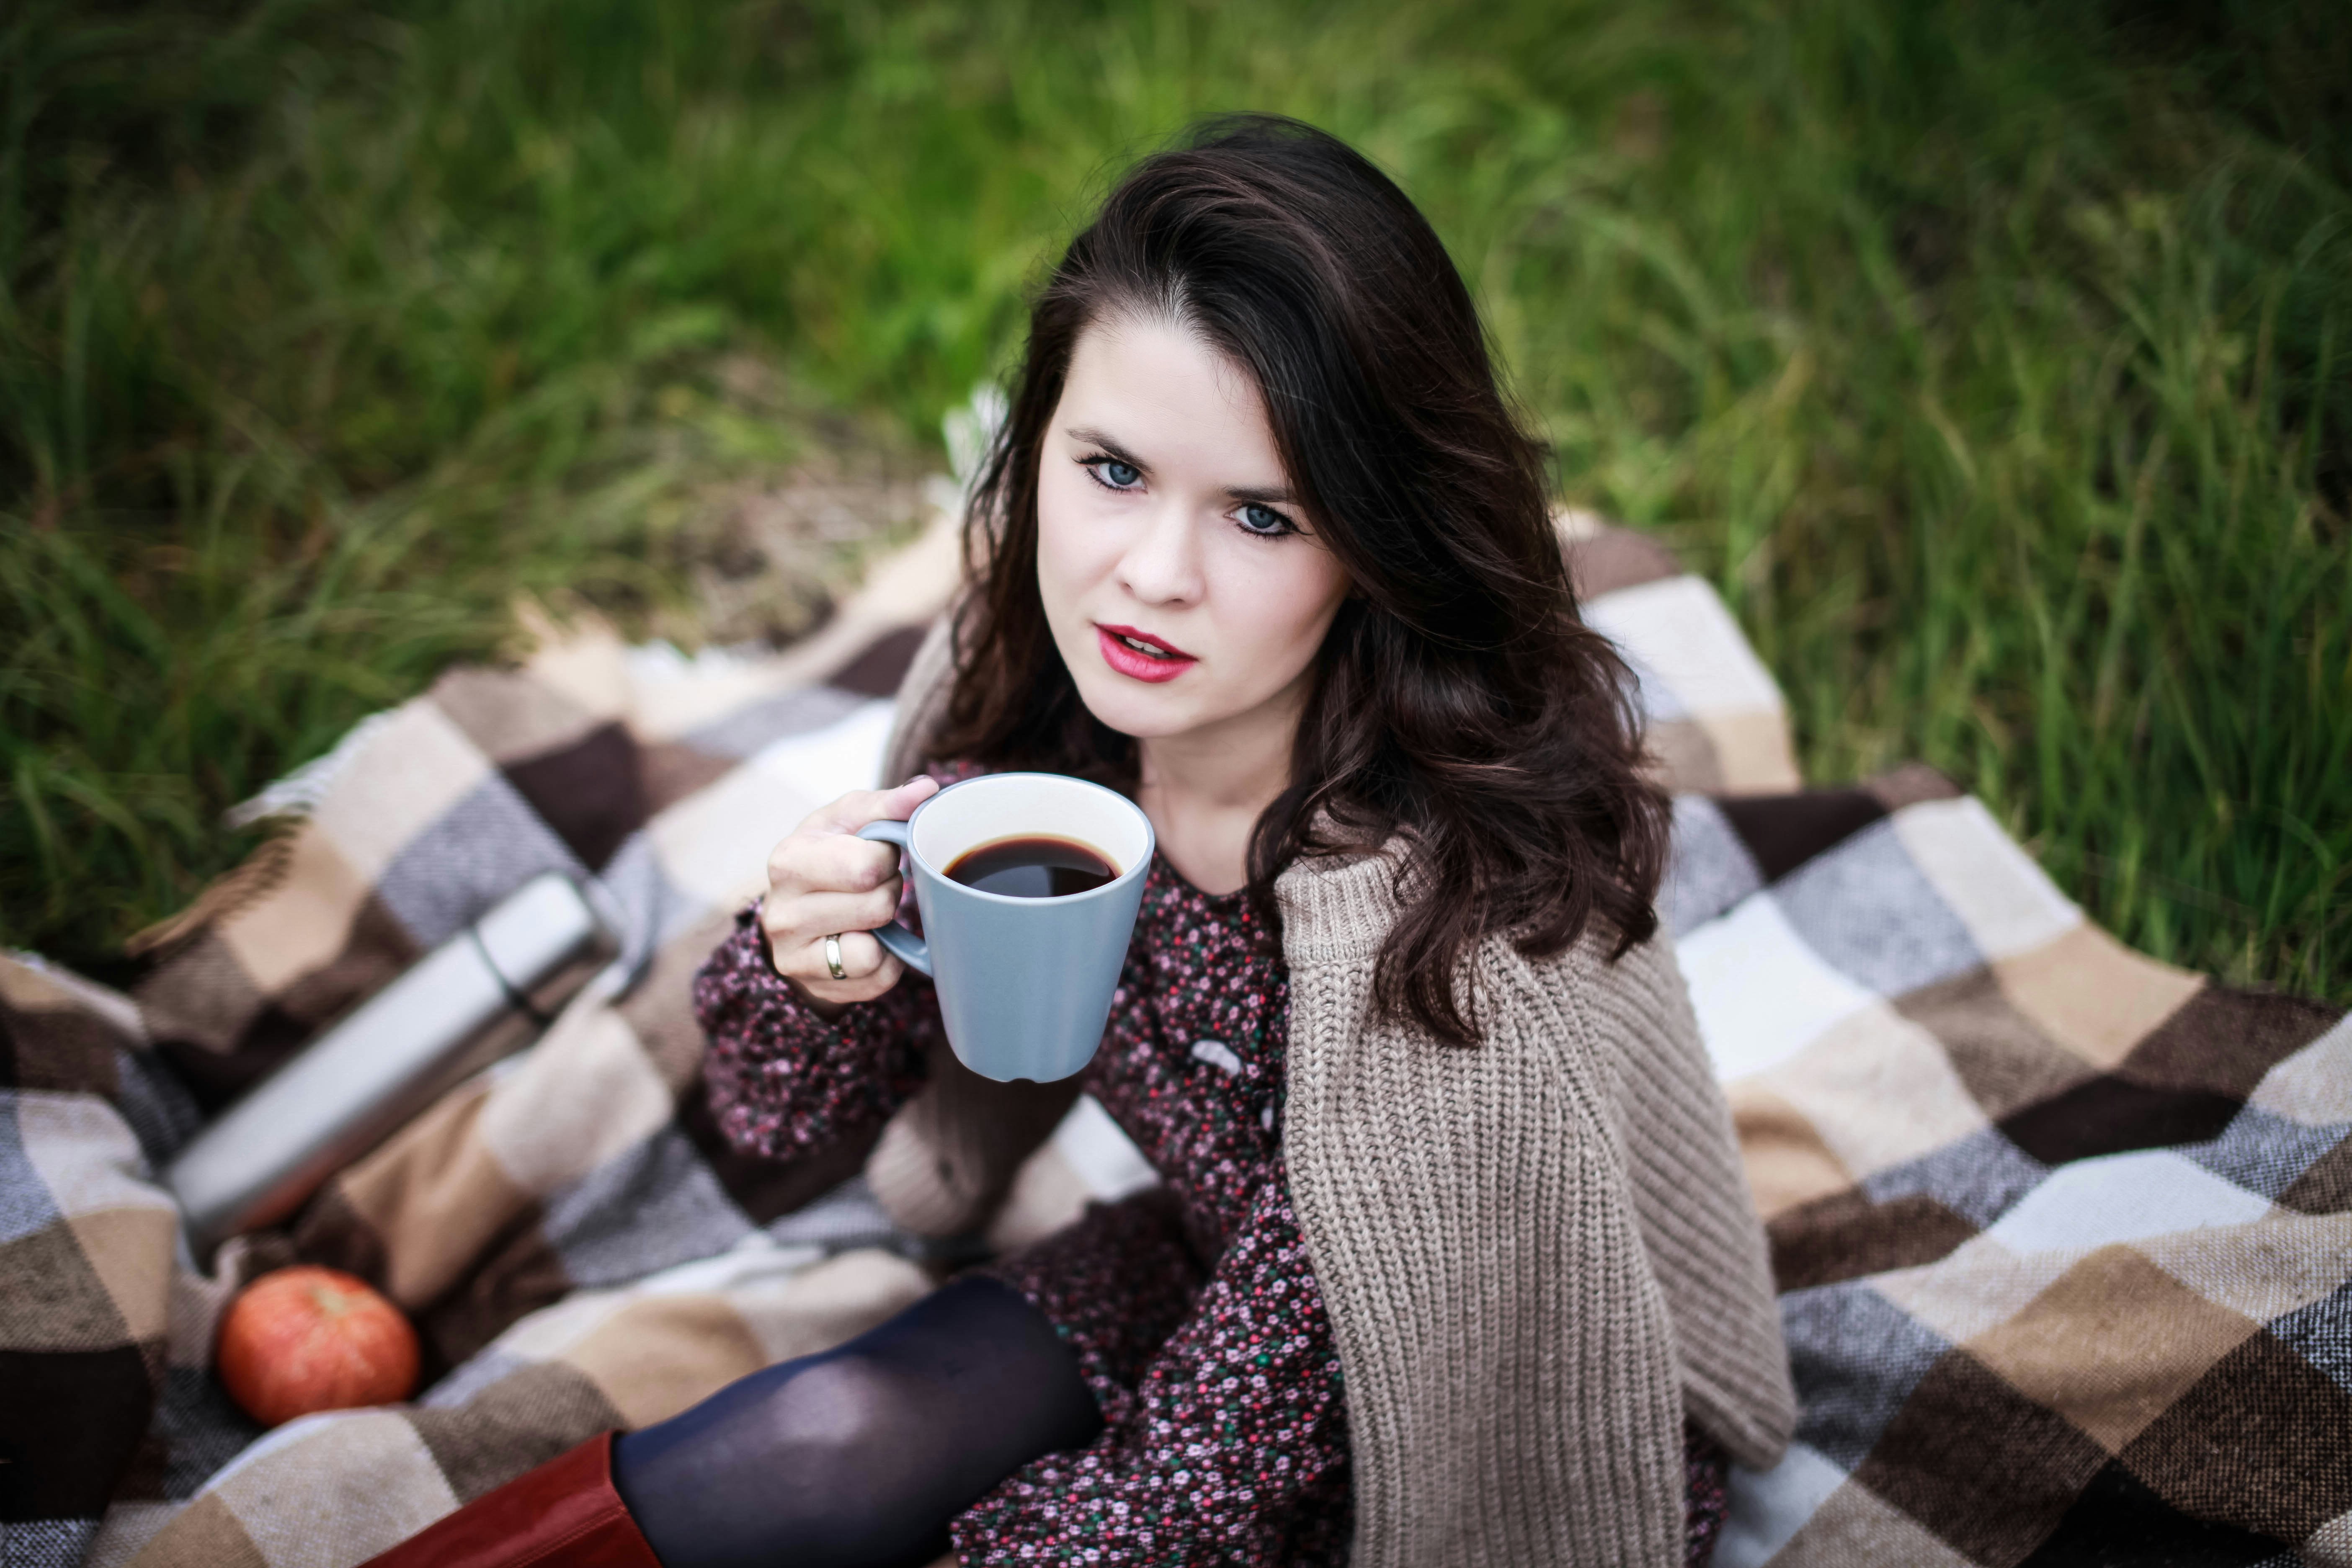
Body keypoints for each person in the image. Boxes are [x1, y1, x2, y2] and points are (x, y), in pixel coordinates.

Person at [365, 113, 1792, 1568]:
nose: (1151, 577)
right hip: (1207, 1267)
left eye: (1260, 514)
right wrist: (811, 966)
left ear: (1374, 541)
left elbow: (1230, 1435)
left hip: (1493, 1393)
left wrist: (1054, 1540)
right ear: (1037, 442)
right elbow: (780, 1123)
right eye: (1112, 469)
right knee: (820, 1436)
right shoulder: (1034, 742)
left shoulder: (1450, 931)